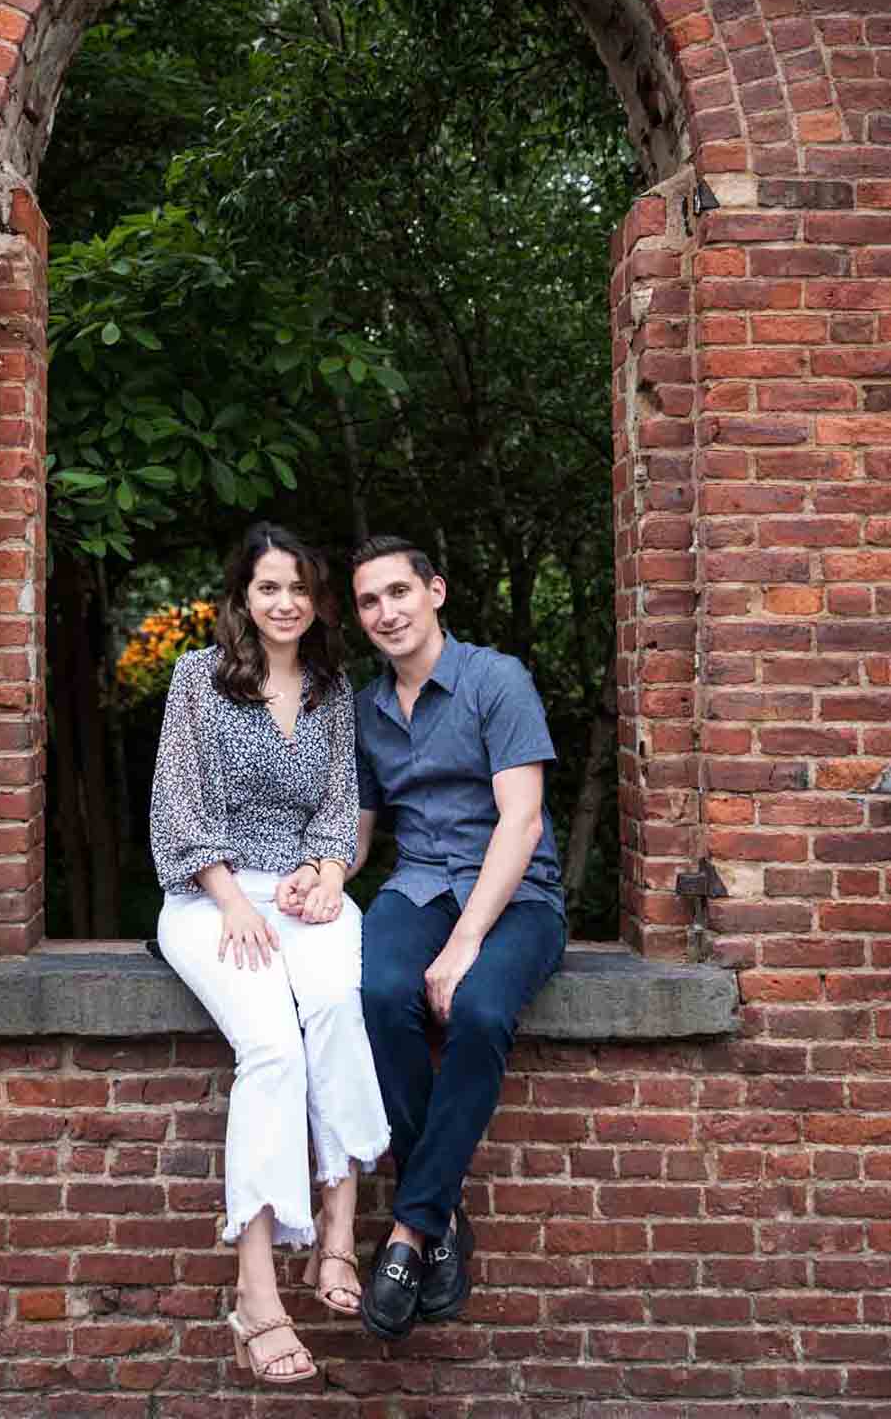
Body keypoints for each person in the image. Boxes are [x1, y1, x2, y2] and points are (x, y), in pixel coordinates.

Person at [149, 522, 389, 1385]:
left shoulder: (332, 687)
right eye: (267, 588)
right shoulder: (197, 682)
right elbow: (178, 803)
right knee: (272, 1048)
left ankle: (336, 1236)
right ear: (242, 598)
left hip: (306, 893)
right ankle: (256, 1293)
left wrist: (326, 876)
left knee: (332, 1009)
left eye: (299, 589)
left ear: (317, 602)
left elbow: (338, 808)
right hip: (207, 895)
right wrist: (227, 896)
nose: (284, 603)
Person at [347, 535, 568, 1340]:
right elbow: (362, 833)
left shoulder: (493, 680)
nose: (387, 612)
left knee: (475, 1011)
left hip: (516, 895)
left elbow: (523, 818)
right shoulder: (367, 710)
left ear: (435, 592)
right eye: (370, 601)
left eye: (399, 592)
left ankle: (412, 1230)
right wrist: (321, 874)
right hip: (416, 886)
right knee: (375, 994)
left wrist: (468, 939)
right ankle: (440, 1216)